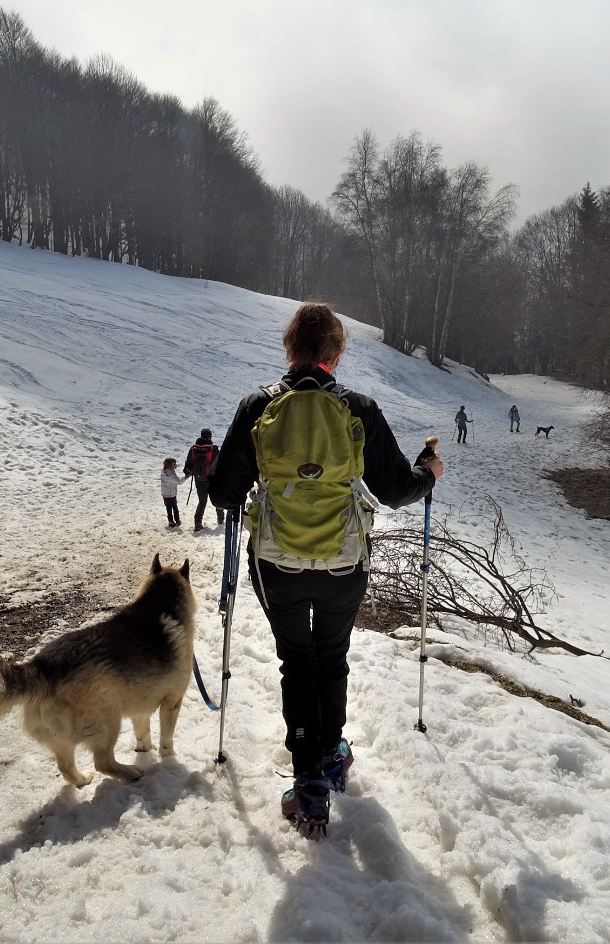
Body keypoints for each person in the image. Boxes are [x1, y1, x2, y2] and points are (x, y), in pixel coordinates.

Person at [211, 301, 443, 836]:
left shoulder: (257, 408)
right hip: (344, 561)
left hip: (277, 563)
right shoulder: (358, 408)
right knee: (331, 656)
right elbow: (395, 489)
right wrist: (427, 473)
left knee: (297, 662)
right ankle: (332, 754)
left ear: (288, 349)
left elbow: (223, 493)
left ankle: (307, 777)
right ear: (335, 355)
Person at [184, 427, 224, 530]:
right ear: (210, 436)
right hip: (211, 479)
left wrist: (188, 471)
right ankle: (220, 519)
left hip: (198, 479)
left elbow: (188, 463)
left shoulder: (193, 449)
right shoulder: (213, 449)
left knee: (202, 501)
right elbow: (219, 463)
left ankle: (197, 523)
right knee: (216, 498)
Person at [160, 457, 183, 528]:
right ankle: (177, 520)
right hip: (171, 494)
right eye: (174, 464)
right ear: (169, 465)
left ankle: (171, 521)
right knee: (175, 507)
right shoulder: (171, 474)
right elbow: (179, 482)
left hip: (164, 493)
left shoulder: (164, 471)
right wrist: (187, 476)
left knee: (168, 508)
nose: (175, 465)